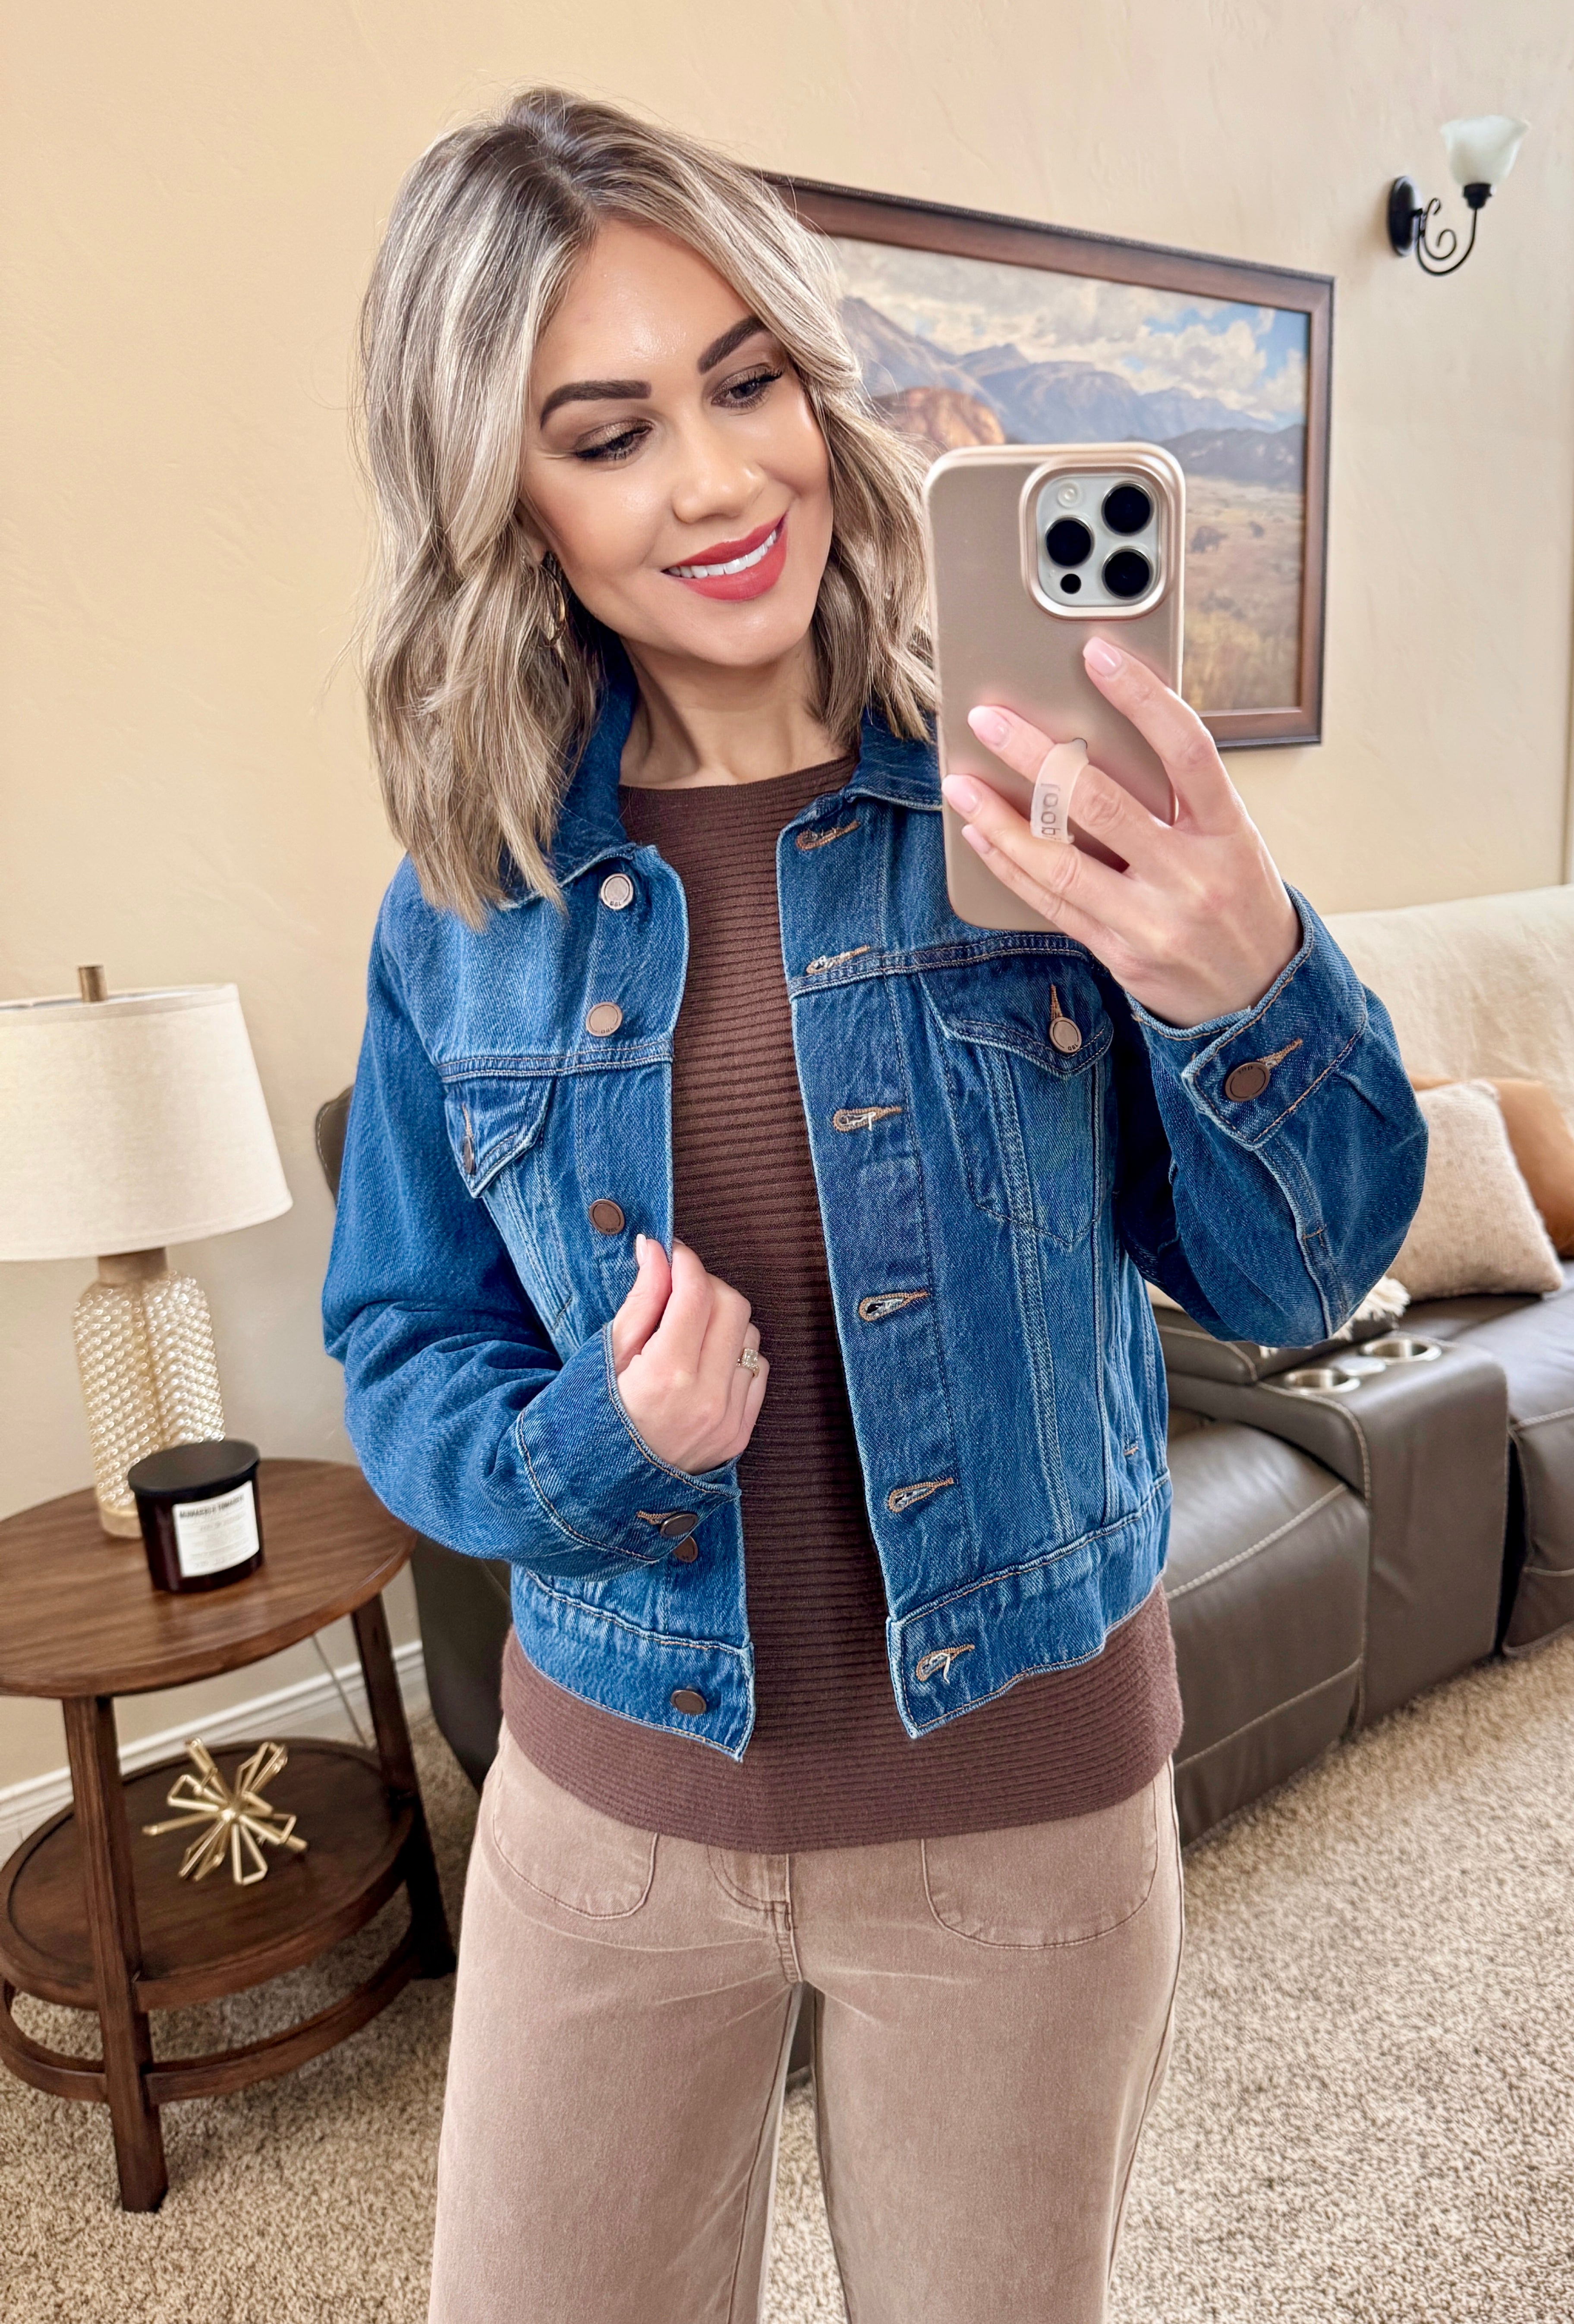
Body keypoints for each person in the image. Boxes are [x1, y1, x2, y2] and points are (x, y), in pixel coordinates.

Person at [323, 88, 1425, 2324]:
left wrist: (1243, 983)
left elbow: (1301, 1278)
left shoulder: (1033, 816)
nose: (717, 481)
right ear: (504, 496)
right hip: (612, 1818)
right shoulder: (469, 902)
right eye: (608, 431)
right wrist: (597, 1443)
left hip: (1020, 1816)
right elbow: (401, 1347)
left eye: (746, 384)